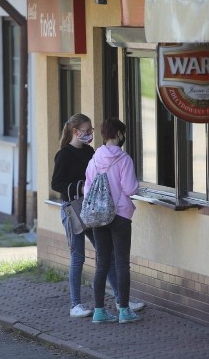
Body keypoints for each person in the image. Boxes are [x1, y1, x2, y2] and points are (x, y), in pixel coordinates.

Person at [51, 113, 144, 318]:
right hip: (73, 208)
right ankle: (76, 303)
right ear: (76, 132)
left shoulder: (92, 153)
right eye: (86, 131)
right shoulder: (64, 154)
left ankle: (121, 299)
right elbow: (56, 184)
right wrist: (80, 187)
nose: (90, 134)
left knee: (105, 255)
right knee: (78, 255)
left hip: (95, 209)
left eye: (92, 130)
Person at [85, 118, 141, 324]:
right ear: (118, 134)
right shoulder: (124, 159)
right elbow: (130, 188)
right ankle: (124, 311)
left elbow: (87, 188)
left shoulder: (94, 159)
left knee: (102, 264)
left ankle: (99, 311)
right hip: (120, 216)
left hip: (99, 216)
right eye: (122, 133)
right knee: (121, 264)